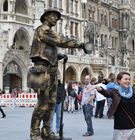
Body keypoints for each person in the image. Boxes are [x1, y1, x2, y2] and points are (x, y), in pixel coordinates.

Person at [27, 8, 78, 140]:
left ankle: (47, 131)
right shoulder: (43, 29)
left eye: (57, 17)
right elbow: (60, 40)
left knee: (51, 103)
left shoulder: (47, 33)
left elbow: (45, 49)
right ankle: (35, 133)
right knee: (43, 103)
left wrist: (58, 55)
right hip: (42, 70)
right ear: (45, 17)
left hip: (51, 70)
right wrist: (79, 45)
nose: (56, 18)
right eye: (53, 16)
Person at [96, 72, 135, 140]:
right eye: (125, 79)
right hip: (121, 127)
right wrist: (99, 88)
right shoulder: (115, 91)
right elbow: (106, 93)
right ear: (119, 80)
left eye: (129, 79)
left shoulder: (133, 90)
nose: (128, 81)